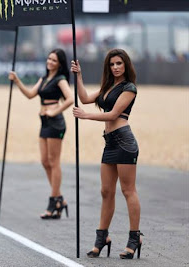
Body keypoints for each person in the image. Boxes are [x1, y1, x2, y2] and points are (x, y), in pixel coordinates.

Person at [71, 48, 142, 259]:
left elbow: (112, 114)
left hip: (124, 141)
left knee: (128, 191)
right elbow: (83, 98)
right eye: (112, 64)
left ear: (125, 65)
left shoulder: (129, 88)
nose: (116, 67)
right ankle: (102, 238)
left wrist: (85, 116)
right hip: (109, 143)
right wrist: (78, 75)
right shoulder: (108, 87)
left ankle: (134, 238)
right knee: (106, 191)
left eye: (119, 63)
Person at [9, 49, 74, 219]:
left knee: (54, 161)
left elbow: (70, 99)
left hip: (55, 122)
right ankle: (59, 198)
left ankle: (53, 201)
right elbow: (30, 95)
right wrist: (17, 80)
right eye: (49, 59)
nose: (50, 62)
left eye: (54, 60)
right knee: (45, 161)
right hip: (44, 122)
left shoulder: (60, 80)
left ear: (59, 63)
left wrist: (55, 111)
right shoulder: (44, 79)